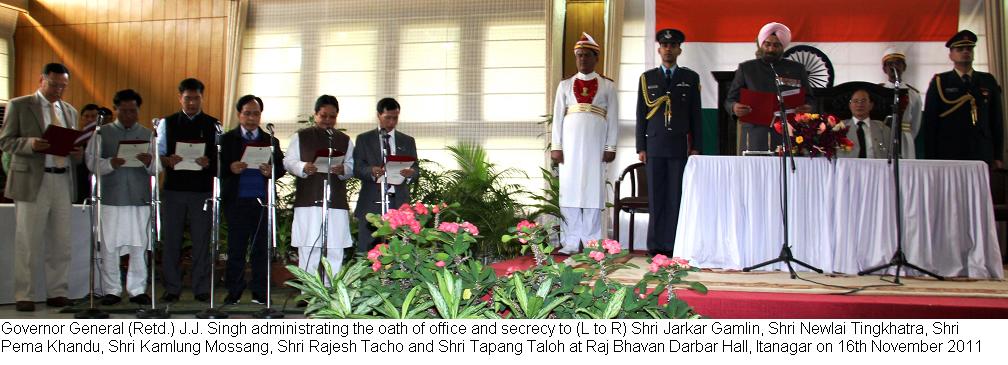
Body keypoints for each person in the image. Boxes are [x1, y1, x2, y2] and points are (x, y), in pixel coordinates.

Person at [0, 63, 81, 312]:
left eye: (63, 86)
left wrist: (77, 151)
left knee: (61, 240)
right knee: (28, 239)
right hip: (33, 179)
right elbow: (6, 141)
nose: (58, 90)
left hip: (62, 178)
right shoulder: (20, 105)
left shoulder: (69, 110)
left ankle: (58, 291)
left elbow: (73, 146)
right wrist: (31, 144)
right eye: (54, 84)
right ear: (41, 80)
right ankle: (24, 293)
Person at [84, 89, 156, 305]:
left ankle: (137, 289)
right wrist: (109, 164)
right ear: (115, 110)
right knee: (110, 246)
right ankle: (112, 290)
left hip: (139, 199)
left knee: (139, 245)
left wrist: (149, 162)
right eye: (124, 111)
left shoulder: (148, 134)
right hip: (111, 199)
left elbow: (157, 168)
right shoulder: (101, 133)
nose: (128, 115)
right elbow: (90, 162)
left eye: (133, 111)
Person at [635, 28, 702, 256]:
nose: (668, 50)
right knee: (656, 198)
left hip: (678, 146)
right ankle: (654, 246)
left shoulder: (690, 78)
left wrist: (696, 146)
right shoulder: (647, 78)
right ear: (659, 49)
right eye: (665, 46)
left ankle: (673, 245)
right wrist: (640, 147)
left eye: (673, 46)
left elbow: (696, 115)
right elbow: (640, 114)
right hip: (654, 146)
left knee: (675, 197)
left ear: (679, 50)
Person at [550, 32, 618, 255]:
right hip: (569, 149)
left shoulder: (607, 86)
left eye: (587, 55)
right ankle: (570, 242)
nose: (582, 59)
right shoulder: (565, 85)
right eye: (579, 55)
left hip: (595, 148)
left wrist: (610, 147)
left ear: (596, 58)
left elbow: (614, 118)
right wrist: (557, 147)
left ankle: (591, 243)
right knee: (569, 194)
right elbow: (558, 117)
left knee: (591, 194)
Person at [156, 78, 219, 303]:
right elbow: (158, 154)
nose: (192, 102)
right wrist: (167, 160)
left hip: (202, 191)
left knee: (201, 240)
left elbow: (219, 158)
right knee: (171, 239)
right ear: (180, 98)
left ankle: (201, 286)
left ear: (202, 98)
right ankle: (172, 287)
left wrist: (208, 161)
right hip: (174, 190)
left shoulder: (214, 124)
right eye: (187, 98)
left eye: (196, 98)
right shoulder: (167, 123)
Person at [220, 95, 285, 305]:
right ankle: (235, 290)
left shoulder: (270, 140)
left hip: (262, 202)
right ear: (239, 114)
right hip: (236, 201)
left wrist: (271, 170)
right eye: (247, 113)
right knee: (236, 249)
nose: (251, 117)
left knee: (261, 249)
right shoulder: (227, 139)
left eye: (255, 113)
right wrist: (230, 168)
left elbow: (281, 169)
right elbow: (215, 167)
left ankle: (260, 291)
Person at [283, 95, 354, 286]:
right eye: (324, 116)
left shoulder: (344, 139)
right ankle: (310, 292)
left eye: (332, 116)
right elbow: (288, 161)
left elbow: (351, 166)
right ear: (315, 115)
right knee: (309, 247)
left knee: (335, 248)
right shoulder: (301, 136)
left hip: (335, 202)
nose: (328, 121)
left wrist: (343, 170)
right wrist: (303, 166)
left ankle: (331, 292)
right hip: (309, 201)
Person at [725, 22, 814, 153]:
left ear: (783, 47)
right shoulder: (747, 68)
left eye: (776, 45)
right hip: (755, 135)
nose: (771, 49)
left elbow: (810, 100)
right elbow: (729, 101)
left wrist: (808, 108)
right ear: (761, 45)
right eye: (768, 44)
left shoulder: (797, 69)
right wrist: (734, 107)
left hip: (788, 134)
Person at [921, 30, 1004, 167]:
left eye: (969, 48)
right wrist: (931, 157)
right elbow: (930, 123)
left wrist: (998, 155)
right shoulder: (940, 82)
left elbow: (996, 120)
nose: (966, 52)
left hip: (981, 151)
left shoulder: (987, 81)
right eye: (960, 49)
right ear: (951, 55)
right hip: (949, 151)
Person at [353, 97, 418, 253]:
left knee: (399, 250)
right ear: (378, 115)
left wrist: (410, 173)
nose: (391, 122)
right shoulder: (364, 139)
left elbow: (416, 168)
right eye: (387, 118)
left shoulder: (407, 141)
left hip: (398, 202)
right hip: (371, 203)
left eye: (395, 118)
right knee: (368, 250)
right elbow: (357, 168)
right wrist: (371, 171)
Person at [879, 48, 922, 159]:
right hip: (883, 137)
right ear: (884, 69)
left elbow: (916, 124)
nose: (894, 67)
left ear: (904, 67)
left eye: (898, 63)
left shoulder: (913, 94)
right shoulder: (877, 91)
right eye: (890, 64)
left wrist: (907, 136)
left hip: (905, 138)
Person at [838, 89, 891, 159]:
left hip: (875, 168)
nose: (859, 105)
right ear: (850, 105)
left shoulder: (884, 129)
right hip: (849, 168)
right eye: (855, 101)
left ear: (871, 105)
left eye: (863, 101)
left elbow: (891, 156)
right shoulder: (839, 128)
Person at [73, 104, 101, 204]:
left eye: (94, 116)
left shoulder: (104, 139)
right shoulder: (75, 139)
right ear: (81, 118)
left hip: (100, 187)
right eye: (86, 116)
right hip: (79, 185)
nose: (90, 120)